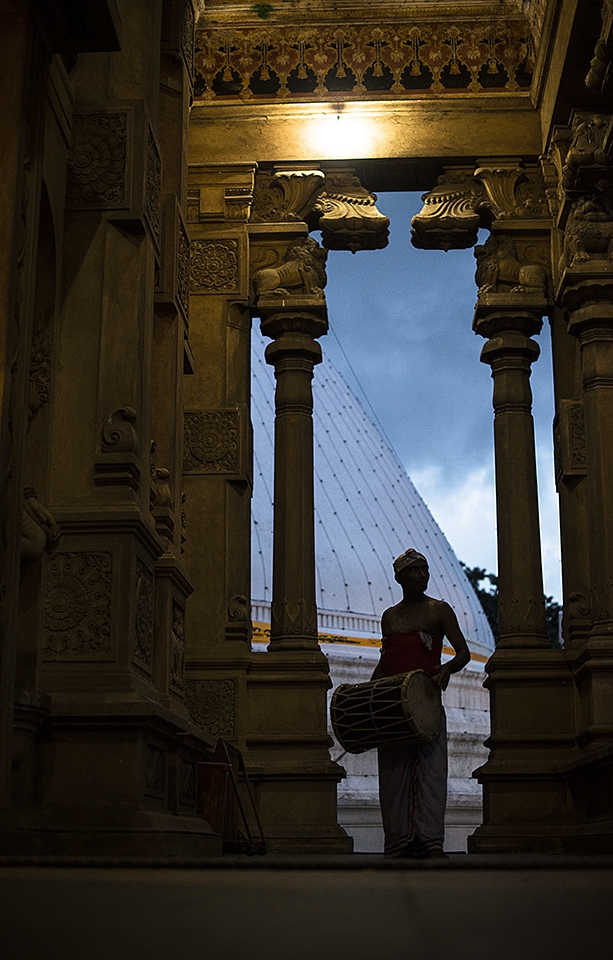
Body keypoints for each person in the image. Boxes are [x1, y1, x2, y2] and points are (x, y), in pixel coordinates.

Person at [371, 548, 470, 858]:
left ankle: (430, 841)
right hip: (393, 702)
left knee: (431, 771)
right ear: (400, 577)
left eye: (425, 569)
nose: (422, 575)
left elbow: (463, 653)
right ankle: (398, 840)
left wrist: (446, 669)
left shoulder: (439, 610)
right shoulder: (390, 616)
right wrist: (368, 693)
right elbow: (386, 660)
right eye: (415, 570)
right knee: (393, 772)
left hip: (425, 700)